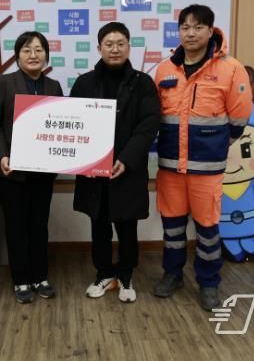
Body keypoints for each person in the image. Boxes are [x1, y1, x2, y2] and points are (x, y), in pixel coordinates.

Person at [153, 4, 253, 311]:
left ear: (211, 31)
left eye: (198, 27)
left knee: (208, 229)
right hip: (170, 167)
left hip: (207, 169)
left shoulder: (230, 69)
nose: (191, 33)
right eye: (185, 27)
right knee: (172, 227)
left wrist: (213, 145)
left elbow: (238, 120)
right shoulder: (165, 69)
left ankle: (209, 283)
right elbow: (155, 115)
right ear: (179, 32)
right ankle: (173, 274)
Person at [70, 22, 159, 303]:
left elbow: (148, 125)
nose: (115, 49)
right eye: (109, 44)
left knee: (127, 225)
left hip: (127, 169)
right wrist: (81, 159)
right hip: (93, 170)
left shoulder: (143, 83)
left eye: (120, 43)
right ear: (99, 48)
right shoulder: (84, 83)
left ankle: (126, 275)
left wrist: (126, 158)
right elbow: (73, 123)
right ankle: (104, 273)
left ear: (129, 46)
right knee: (98, 224)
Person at [0, 31, 64, 304]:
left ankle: (40, 276)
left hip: (43, 172)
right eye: (27, 50)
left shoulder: (53, 86)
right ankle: (20, 279)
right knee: (16, 226)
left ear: (46, 55)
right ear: (17, 56)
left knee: (39, 225)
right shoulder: (5, 83)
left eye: (39, 50)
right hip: (13, 172)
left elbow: (60, 125)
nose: (33, 55)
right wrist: (2, 155)